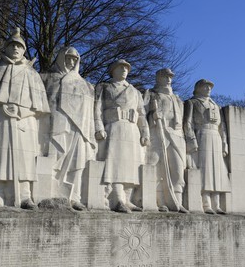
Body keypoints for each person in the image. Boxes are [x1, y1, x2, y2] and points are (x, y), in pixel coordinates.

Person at [0, 28, 50, 209]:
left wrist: (21, 112)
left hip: (24, 120)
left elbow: (40, 109)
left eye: (20, 46)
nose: (16, 49)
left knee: (24, 158)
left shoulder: (32, 74)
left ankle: (25, 195)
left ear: (24, 50)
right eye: (13, 45)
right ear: (6, 47)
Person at [42, 46, 96, 211]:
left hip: (80, 128)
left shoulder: (86, 85)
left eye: (74, 59)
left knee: (77, 163)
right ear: (60, 58)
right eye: (68, 58)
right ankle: (49, 193)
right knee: (55, 156)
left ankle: (75, 197)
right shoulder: (47, 78)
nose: (71, 62)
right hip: (58, 124)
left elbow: (90, 111)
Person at [94, 59, 150, 213]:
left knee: (132, 165)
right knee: (116, 164)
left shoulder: (135, 91)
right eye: (121, 67)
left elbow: (141, 114)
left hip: (132, 129)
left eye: (126, 68)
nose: (124, 70)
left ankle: (128, 198)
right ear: (113, 70)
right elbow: (97, 108)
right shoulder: (104, 87)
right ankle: (118, 199)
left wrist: (145, 132)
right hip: (114, 126)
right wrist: (99, 127)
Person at [183, 79, 230, 214]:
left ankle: (217, 204)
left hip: (216, 137)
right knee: (205, 172)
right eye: (205, 86)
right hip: (202, 135)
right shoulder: (192, 102)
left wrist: (224, 144)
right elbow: (188, 123)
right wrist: (191, 140)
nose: (208, 88)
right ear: (198, 87)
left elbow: (223, 128)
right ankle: (206, 204)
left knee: (218, 173)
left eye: (210, 87)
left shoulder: (216, 106)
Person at [146, 68, 188, 213]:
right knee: (156, 167)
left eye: (170, 76)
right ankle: (160, 201)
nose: (169, 79)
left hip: (176, 135)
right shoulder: (151, 94)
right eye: (165, 76)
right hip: (158, 133)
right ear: (158, 77)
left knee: (178, 171)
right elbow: (142, 115)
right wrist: (153, 116)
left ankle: (177, 202)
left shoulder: (177, 99)